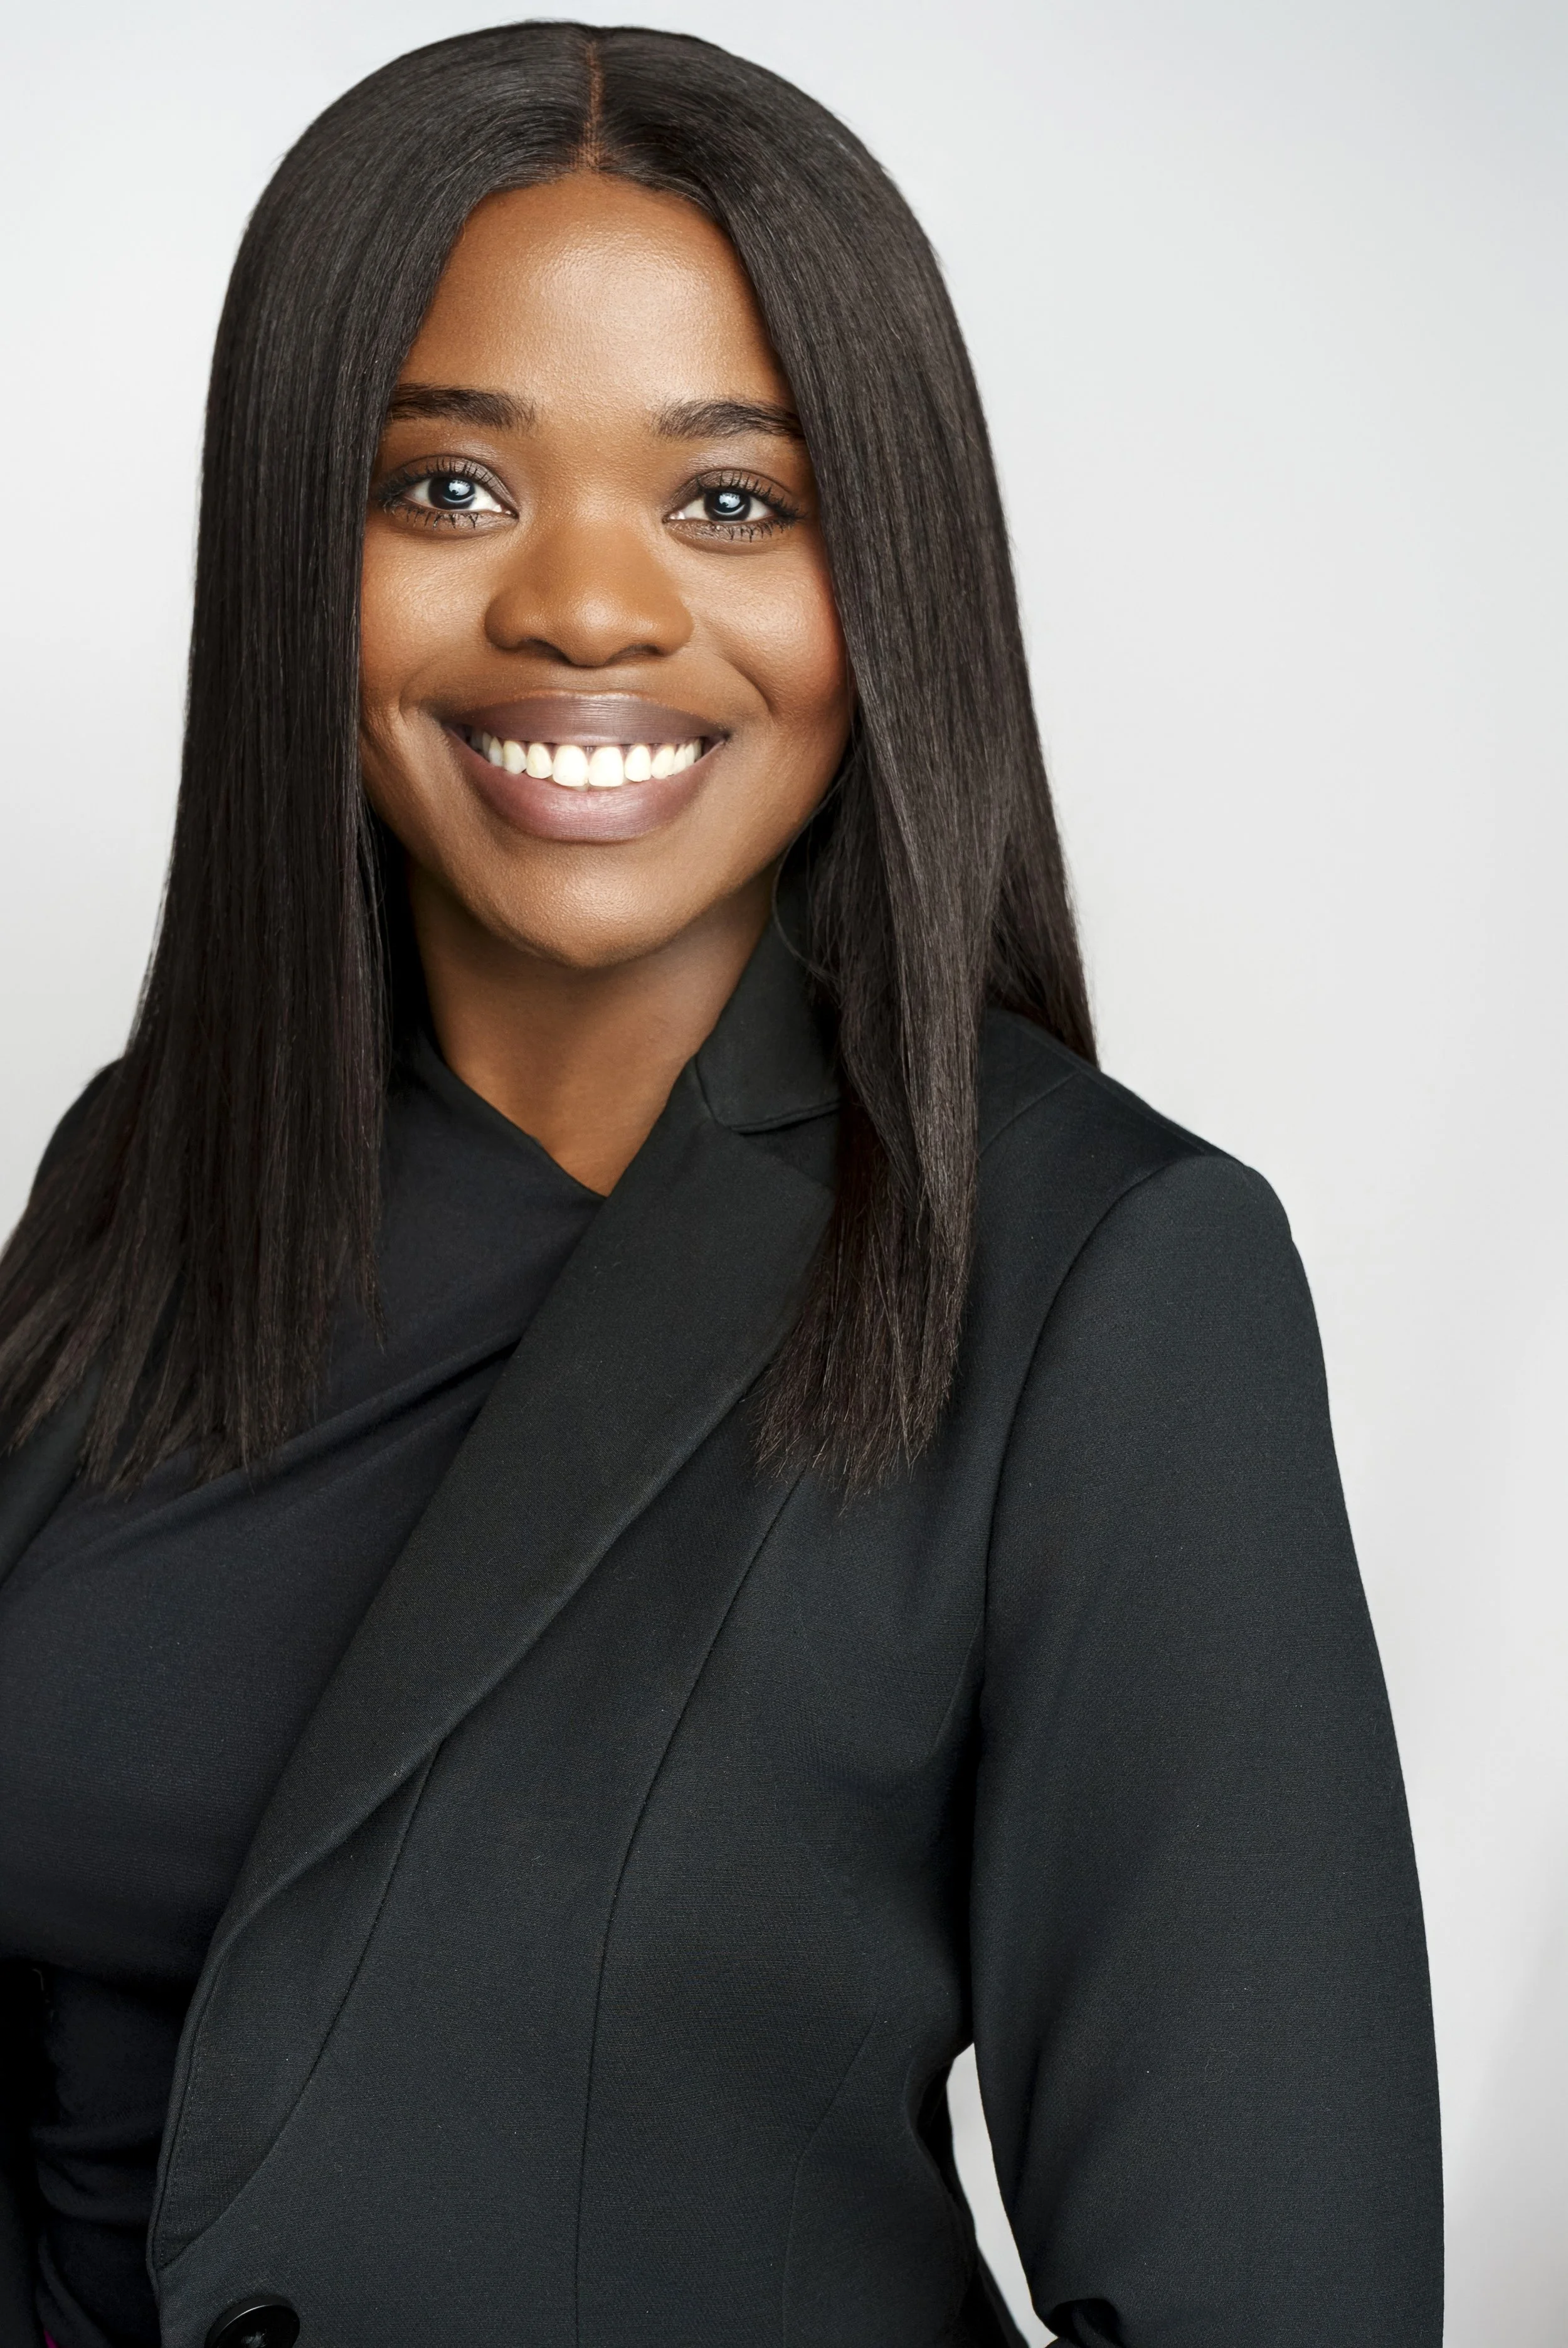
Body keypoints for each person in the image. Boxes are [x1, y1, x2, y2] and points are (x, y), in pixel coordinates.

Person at [0, 23, 1442, 2348]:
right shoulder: (138, 1171)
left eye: (731, 500)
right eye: (448, 491)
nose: (584, 607)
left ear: (887, 576)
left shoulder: (1104, 1279)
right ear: (298, 553)